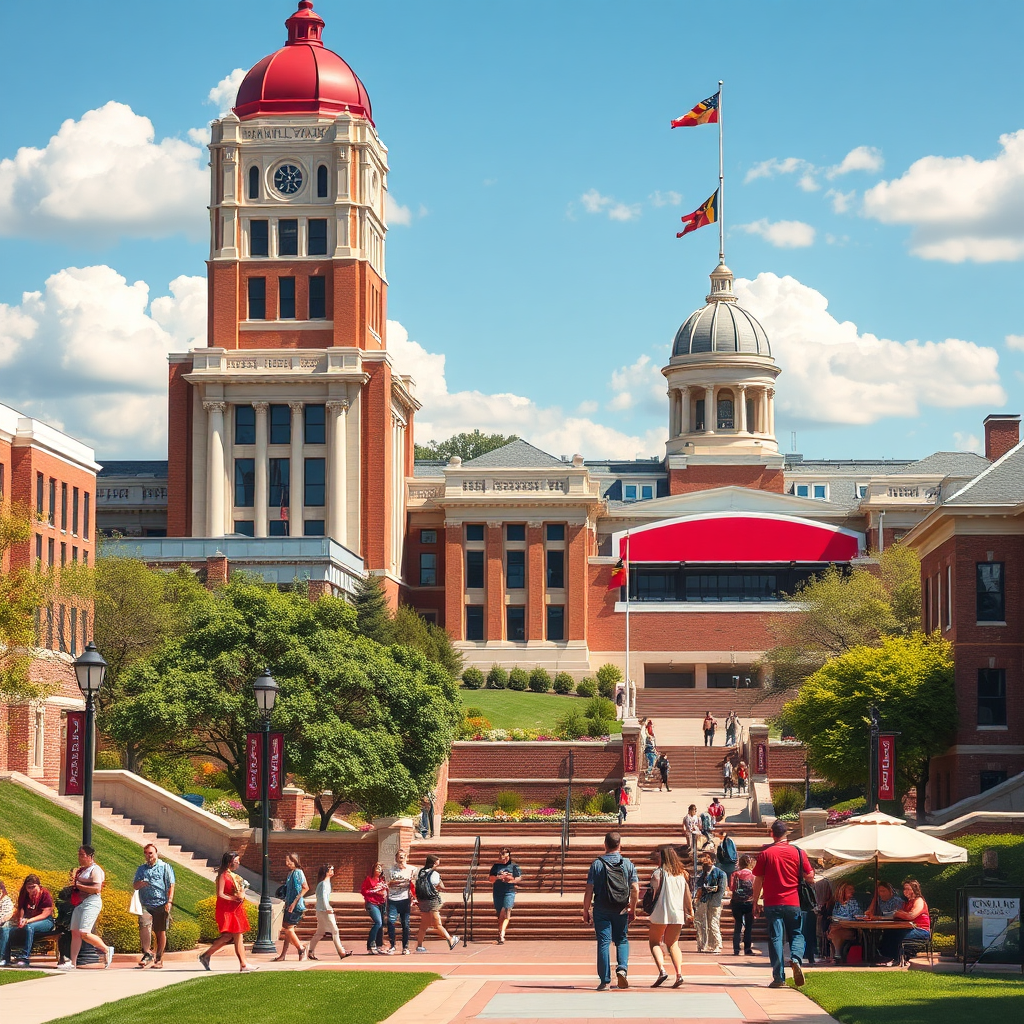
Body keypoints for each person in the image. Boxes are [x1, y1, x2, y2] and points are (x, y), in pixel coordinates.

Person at [752, 820, 814, 988]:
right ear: (786, 834)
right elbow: (810, 875)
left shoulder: (766, 854)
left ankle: (779, 977)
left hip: (772, 902)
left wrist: (755, 901)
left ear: (772, 833)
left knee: (776, 938)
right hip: (793, 901)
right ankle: (795, 958)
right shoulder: (799, 853)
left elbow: (758, 879)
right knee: (797, 934)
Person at [582, 831, 640, 991]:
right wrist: (632, 908)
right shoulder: (628, 863)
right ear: (619, 845)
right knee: (621, 940)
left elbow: (589, 889)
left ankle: (605, 980)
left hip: (601, 908)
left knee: (603, 942)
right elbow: (635, 888)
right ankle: (622, 969)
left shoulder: (597, 864)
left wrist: (585, 909)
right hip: (621, 908)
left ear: (605, 845)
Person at [199, 851, 255, 973]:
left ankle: (206, 955)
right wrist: (234, 898)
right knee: (237, 935)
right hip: (227, 910)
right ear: (230, 862)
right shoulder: (223, 875)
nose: (238, 864)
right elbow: (220, 894)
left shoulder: (232, 876)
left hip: (234, 909)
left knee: (229, 936)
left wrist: (241, 893)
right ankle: (243, 963)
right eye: (236, 861)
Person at [61, 845, 114, 970]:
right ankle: (73, 963)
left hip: (91, 902)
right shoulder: (82, 870)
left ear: (90, 856)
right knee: (75, 933)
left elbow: (97, 889)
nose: (79, 857)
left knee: (84, 933)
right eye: (79, 854)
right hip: (79, 903)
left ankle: (106, 949)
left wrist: (79, 886)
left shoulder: (95, 870)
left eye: (82, 855)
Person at [646, 844, 692, 988]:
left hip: (661, 911)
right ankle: (679, 974)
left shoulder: (658, 873)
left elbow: (652, 893)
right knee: (673, 943)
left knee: (654, 941)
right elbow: (687, 895)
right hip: (677, 912)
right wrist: (690, 911)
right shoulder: (682, 874)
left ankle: (662, 970)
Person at [133, 843, 175, 969]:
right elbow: (135, 885)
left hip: (161, 903)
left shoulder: (165, 867)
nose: (148, 856)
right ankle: (147, 953)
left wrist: (169, 902)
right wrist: (141, 883)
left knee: (159, 931)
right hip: (146, 903)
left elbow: (171, 885)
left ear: (156, 853)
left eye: (150, 853)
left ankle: (159, 958)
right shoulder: (141, 869)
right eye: (146, 853)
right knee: (144, 923)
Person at [0, 875, 55, 967]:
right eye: (28, 887)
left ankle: (24, 958)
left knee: (29, 927)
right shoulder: (24, 893)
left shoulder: (44, 893)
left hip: (45, 921)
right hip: (27, 920)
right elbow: (21, 908)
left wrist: (29, 921)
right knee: (6, 929)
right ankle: (4, 958)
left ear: (38, 885)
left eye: (33, 887)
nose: (31, 890)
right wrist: (21, 919)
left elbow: (46, 913)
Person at [877, 879, 931, 965]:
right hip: (910, 928)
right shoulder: (907, 903)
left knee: (897, 935)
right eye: (904, 889)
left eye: (908, 889)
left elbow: (911, 915)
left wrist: (898, 913)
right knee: (888, 932)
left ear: (915, 890)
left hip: (921, 931)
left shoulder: (919, 901)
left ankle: (897, 958)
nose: (905, 891)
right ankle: (888, 957)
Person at [306, 864, 353, 961]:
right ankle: (341, 952)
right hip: (324, 910)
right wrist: (328, 908)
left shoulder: (325, 883)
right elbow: (323, 897)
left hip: (321, 910)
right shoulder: (324, 884)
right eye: (331, 870)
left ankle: (309, 951)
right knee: (335, 930)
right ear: (326, 872)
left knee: (320, 933)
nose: (332, 871)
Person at [414, 855, 460, 952]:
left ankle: (419, 946)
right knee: (437, 923)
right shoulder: (434, 873)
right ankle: (450, 939)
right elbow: (439, 885)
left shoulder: (420, 871)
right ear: (434, 863)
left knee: (424, 924)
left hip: (422, 899)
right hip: (432, 900)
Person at [273, 852, 308, 961]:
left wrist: (294, 902)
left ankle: (301, 948)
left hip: (296, 906)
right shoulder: (291, 873)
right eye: (286, 861)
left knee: (288, 929)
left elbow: (305, 887)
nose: (287, 863)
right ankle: (283, 955)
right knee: (288, 929)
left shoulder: (298, 872)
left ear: (295, 861)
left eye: (290, 861)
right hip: (289, 904)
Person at [693, 850, 726, 955]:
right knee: (701, 923)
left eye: (707, 858)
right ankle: (703, 944)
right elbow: (698, 887)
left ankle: (716, 944)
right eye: (703, 858)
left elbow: (721, 889)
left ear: (713, 860)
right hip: (703, 901)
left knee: (713, 923)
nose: (705, 860)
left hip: (714, 901)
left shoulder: (720, 873)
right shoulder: (702, 874)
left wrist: (715, 901)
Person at [488, 847, 522, 944]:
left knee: (506, 911)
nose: (504, 859)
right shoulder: (496, 866)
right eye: (502, 857)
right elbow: (490, 879)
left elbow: (518, 878)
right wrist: (499, 877)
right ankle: (500, 931)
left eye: (506, 857)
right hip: (498, 891)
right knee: (500, 914)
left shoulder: (514, 866)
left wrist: (510, 879)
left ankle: (502, 934)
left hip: (509, 891)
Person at [386, 848, 415, 954]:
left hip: (405, 899)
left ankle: (405, 947)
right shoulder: (390, 870)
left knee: (405, 924)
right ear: (396, 858)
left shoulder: (412, 869)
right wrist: (400, 882)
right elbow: (388, 883)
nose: (401, 859)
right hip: (393, 899)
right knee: (390, 921)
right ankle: (392, 945)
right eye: (399, 857)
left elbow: (413, 884)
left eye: (403, 857)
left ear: (406, 858)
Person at [728, 855, 756, 956]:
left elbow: (731, 887)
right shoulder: (753, 875)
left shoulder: (735, 874)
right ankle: (747, 949)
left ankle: (736, 949)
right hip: (749, 902)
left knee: (738, 925)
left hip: (736, 903)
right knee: (748, 927)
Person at [826, 882, 862, 959]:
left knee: (834, 933)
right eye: (850, 889)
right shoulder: (836, 903)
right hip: (836, 927)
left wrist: (842, 923)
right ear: (842, 890)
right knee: (835, 931)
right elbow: (833, 916)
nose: (853, 891)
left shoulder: (853, 902)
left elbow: (856, 917)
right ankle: (837, 955)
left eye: (853, 889)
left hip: (849, 928)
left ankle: (837, 955)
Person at [360, 862, 389, 954]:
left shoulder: (382, 880)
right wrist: (375, 892)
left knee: (381, 925)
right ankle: (371, 945)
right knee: (378, 922)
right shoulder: (369, 879)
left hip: (382, 903)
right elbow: (364, 891)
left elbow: (386, 890)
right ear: (373, 870)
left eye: (380, 868)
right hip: (372, 903)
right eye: (377, 868)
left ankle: (379, 945)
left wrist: (385, 892)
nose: (379, 870)